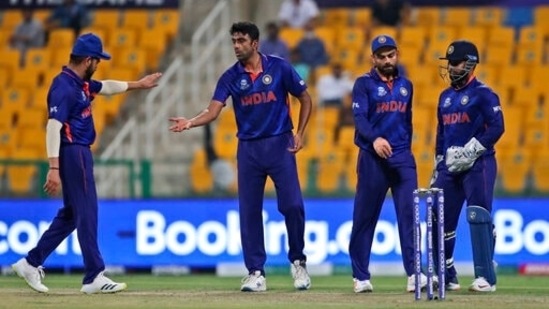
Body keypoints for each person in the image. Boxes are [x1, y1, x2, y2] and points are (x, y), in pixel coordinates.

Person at [11, 33, 162, 294]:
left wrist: (139, 84)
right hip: (74, 153)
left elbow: (106, 86)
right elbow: (52, 127)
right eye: (98, 61)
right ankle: (94, 275)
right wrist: (54, 167)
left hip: (77, 153)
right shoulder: (64, 87)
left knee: (72, 215)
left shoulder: (80, 83)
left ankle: (30, 262)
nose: (99, 65)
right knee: (88, 212)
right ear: (88, 60)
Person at [169, 21, 313, 292]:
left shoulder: (280, 67)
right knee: (248, 212)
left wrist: (301, 133)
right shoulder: (230, 77)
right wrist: (189, 122)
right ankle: (256, 272)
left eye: (241, 40)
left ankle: (298, 262)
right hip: (248, 150)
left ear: (254, 43)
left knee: (293, 206)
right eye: (233, 40)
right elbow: (213, 112)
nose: (236, 45)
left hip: (280, 144)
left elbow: (305, 98)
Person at [348, 35, 425, 293]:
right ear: (373, 59)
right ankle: (361, 276)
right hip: (372, 158)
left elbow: (408, 121)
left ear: (397, 54)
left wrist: (404, 150)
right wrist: (375, 140)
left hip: (402, 157)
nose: (387, 60)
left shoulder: (407, 85)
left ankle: (415, 274)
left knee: (409, 216)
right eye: (381, 56)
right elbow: (360, 119)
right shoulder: (363, 85)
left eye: (390, 55)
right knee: (364, 218)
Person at [431, 40, 504, 292]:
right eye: (449, 63)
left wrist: (472, 149)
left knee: (478, 215)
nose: (451, 68)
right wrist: (438, 162)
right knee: (439, 217)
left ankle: (486, 277)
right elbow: (442, 133)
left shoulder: (484, 93)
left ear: (470, 63)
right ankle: (446, 274)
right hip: (450, 167)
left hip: (478, 163)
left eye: (456, 63)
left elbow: (497, 126)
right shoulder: (445, 97)